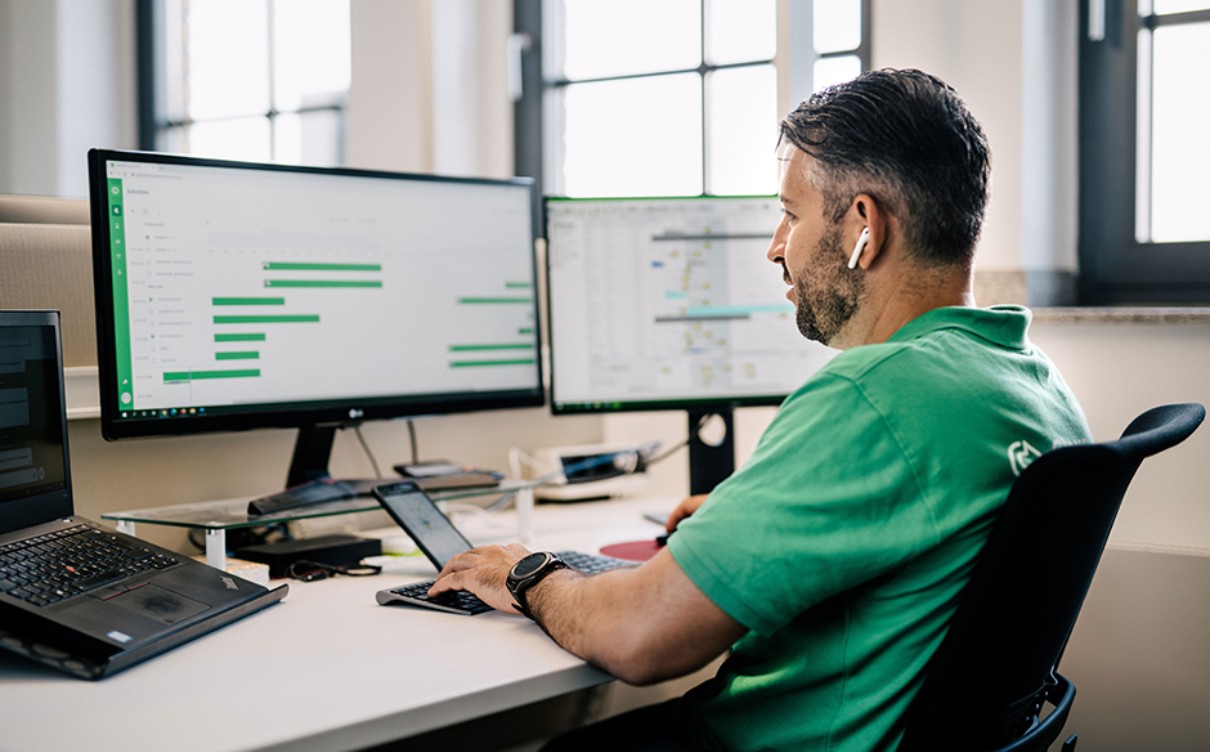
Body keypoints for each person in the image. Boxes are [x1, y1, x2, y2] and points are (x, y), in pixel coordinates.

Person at [429, 68, 1091, 751]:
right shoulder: (1036, 385)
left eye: (793, 214)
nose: (777, 246)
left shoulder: (872, 395)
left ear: (864, 226)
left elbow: (640, 638)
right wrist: (740, 520)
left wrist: (526, 571)